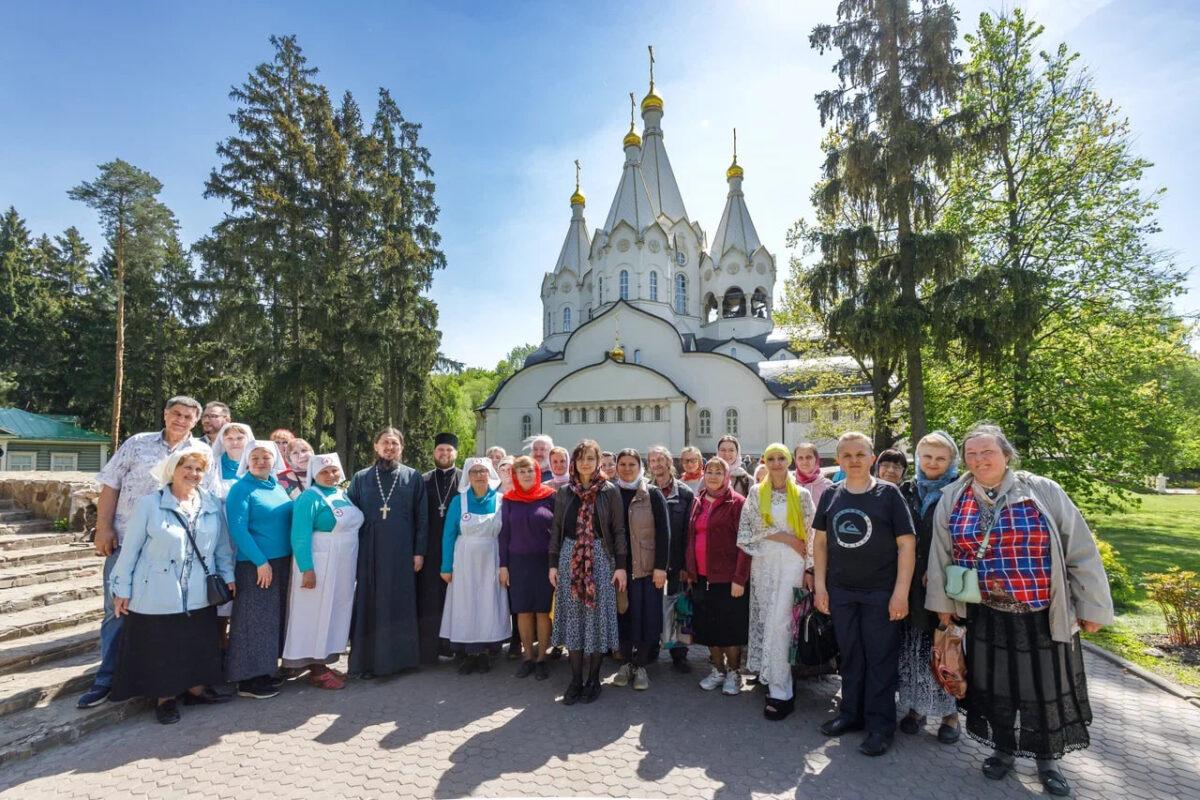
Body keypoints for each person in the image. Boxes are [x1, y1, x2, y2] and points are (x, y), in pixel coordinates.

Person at [926, 424, 1113, 797]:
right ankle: (1003, 751)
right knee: (995, 686)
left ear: (1006, 455)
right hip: (985, 614)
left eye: (987, 452)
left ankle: (1048, 760)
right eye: (972, 454)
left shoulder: (1042, 490)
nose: (979, 460)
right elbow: (941, 555)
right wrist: (944, 609)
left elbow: (1079, 549)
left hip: (1038, 613)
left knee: (1043, 688)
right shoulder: (955, 496)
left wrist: (1092, 607)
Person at [79, 395, 209, 709]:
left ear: (195, 422)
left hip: (175, 551)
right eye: (176, 414)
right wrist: (103, 527)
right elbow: (111, 484)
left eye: (188, 417)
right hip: (126, 543)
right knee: (117, 610)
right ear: (165, 414)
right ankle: (107, 679)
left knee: (169, 619)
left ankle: (165, 682)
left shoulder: (202, 452)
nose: (181, 420)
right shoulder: (138, 444)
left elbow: (209, 495)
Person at [108, 445, 234, 724]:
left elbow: (221, 547)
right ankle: (165, 698)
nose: (193, 473)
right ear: (172, 470)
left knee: (197, 640)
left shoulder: (211, 504)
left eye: (199, 469)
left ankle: (196, 689)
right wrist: (122, 589)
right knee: (163, 643)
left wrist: (228, 576)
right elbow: (130, 550)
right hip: (156, 587)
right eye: (187, 467)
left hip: (200, 587)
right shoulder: (150, 504)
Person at [812, 431, 916, 757]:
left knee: (880, 659)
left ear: (872, 458)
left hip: (880, 594)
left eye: (860, 454)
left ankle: (881, 726)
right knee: (851, 656)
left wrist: (900, 593)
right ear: (838, 460)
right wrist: (820, 587)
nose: (854, 460)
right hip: (842, 592)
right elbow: (819, 542)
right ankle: (850, 714)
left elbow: (906, 545)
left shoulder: (888, 495)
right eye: (847, 455)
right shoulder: (831, 495)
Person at [738, 442, 815, 720]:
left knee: (781, 624)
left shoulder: (803, 495)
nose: (776, 463)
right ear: (765, 462)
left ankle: (782, 691)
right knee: (765, 619)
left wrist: (810, 569)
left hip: (793, 565)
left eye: (781, 458)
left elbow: (812, 533)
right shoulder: (758, 493)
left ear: (789, 461)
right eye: (770, 458)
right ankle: (769, 676)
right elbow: (748, 528)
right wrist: (786, 537)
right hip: (765, 563)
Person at [549, 439, 627, 705]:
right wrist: (552, 563)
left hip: (601, 559)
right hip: (569, 558)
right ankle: (575, 680)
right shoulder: (564, 493)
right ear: (574, 462)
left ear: (598, 462)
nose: (585, 463)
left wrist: (621, 567)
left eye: (591, 458)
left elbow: (618, 531)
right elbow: (557, 529)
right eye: (581, 458)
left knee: (595, 622)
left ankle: (593, 679)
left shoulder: (609, 491)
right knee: (573, 620)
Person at [897, 431, 962, 743]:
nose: (933, 463)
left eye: (940, 458)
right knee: (913, 647)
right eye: (927, 457)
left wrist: (937, 571)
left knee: (944, 647)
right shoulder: (907, 490)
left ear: (951, 461)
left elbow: (964, 539)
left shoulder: (960, 490)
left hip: (943, 583)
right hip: (909, 582)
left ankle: (951, 714)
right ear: (918, 458)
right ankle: (916, 709)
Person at [348, 427, 427, 678]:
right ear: (376, 446)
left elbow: (422, 518)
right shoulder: (360, 478)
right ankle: (366, 662)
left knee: (398, 602)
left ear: (401, 448)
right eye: (385, 443)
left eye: (394, 443)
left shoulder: (412, 477)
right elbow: (349, 516)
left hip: (402, 551)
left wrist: (419, 552)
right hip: (369, 551)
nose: (389, 447)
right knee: (369, 603)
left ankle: (400, 661)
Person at [282, 453, 363, 690]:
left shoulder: (342, 495)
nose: (330, 476)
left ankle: (326, 660)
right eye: (324, 472)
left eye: (334, 471)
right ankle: (315, 668)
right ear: (314, 475)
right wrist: (307, 569)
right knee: (315, 613)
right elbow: (299, 535)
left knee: (336, 609)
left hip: (342, 565)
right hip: (320, 562)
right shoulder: (309, 498)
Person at [225, 440, 294, 699]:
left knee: (271, 619)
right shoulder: (241, 488)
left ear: (274, 460)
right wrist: (260, 562)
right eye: (255, 457)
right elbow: (238, 529)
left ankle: (265, 671)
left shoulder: (276, 486)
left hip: (281, 562)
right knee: (253, 622)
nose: (261, 462)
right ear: (247, 460)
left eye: (266, 457)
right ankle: (247, 679)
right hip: (256, 565)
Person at [684, 457, 750, 697]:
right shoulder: (698, 501)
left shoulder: (738, 503)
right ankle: (717, 670)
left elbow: (745, 544)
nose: (713, 476)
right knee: (709, 629)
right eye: (709, 471)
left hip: (729, 580)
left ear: (727, 475)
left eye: (718, 472)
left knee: (729, 630)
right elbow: (691, 537)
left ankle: (734, 672)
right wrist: (690, 570)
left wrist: (739, 578)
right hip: (702, 578)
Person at [439, 458, 511, 674]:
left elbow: (506, 535)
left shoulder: (501, 500)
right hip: (464, 561)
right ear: (468, 476)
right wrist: (446, 566)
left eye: (484, 471)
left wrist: (505, 566)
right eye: (475, 471)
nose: (479, 475)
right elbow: (448, 535)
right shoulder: (458, 501)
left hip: (492, 559)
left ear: (490, 474)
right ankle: (469, 653)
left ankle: (487, 652)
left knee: (489, 603)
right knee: (466, 604)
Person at [610, 449, 669, 692]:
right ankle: (625, 663)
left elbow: (664, 533)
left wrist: (660, 568)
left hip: (645, 567)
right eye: (622, 464)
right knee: (622, 615)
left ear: (640, 466)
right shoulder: (609, 492)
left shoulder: (651, 493)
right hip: (619, 569)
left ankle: (641, 665)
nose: (626, 468)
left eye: (631, 464)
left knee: (647, 618)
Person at [499, 455, 556, 680]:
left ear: (537, 472)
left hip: (544, 562)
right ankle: (527, 657)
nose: (526, 475)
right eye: (521, 471)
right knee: (523, 611)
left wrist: (556, 563)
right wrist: (503, 565)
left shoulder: (550, 496)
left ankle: (542, 658)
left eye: (530, 470)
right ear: (515, 475)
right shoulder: (509, 499)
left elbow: (558, 531)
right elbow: (504, 535)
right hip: (517, 562)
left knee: (543, 611)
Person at [647, 445, 695, 673]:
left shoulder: (685, 493)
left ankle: (679, 654)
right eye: (652, 460)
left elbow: (689, 532)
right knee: (653, 605)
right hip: (651, 561)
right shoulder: (644, 491)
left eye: (660, 459)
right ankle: (651, 648)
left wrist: (687, 564)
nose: (656, 464)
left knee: (678, 607)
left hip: (677, 560)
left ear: (668, 462)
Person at [419, 432, 461, 664]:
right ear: (434, 453)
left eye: (449, 450)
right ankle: (430, 648)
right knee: (430, 597)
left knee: (454, 597)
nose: (444, 454)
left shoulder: (465, 479)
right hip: (429, 547)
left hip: (457, 548)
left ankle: (454, 645)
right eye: (440, 450)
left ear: (456, 453)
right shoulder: (422, 480)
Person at [210, 422, 254, 497]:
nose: (235, 443)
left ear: (248, 440)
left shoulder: (258, 465)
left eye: (240, 438)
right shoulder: (212, 464)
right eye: (229, 438)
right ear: (222, 441)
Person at [793, 442, 833, 510]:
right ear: (795, 460)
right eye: (800, 458)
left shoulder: (828, 487)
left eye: (808, 457)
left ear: (816, 459)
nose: (804, 461)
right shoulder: (788, 484)